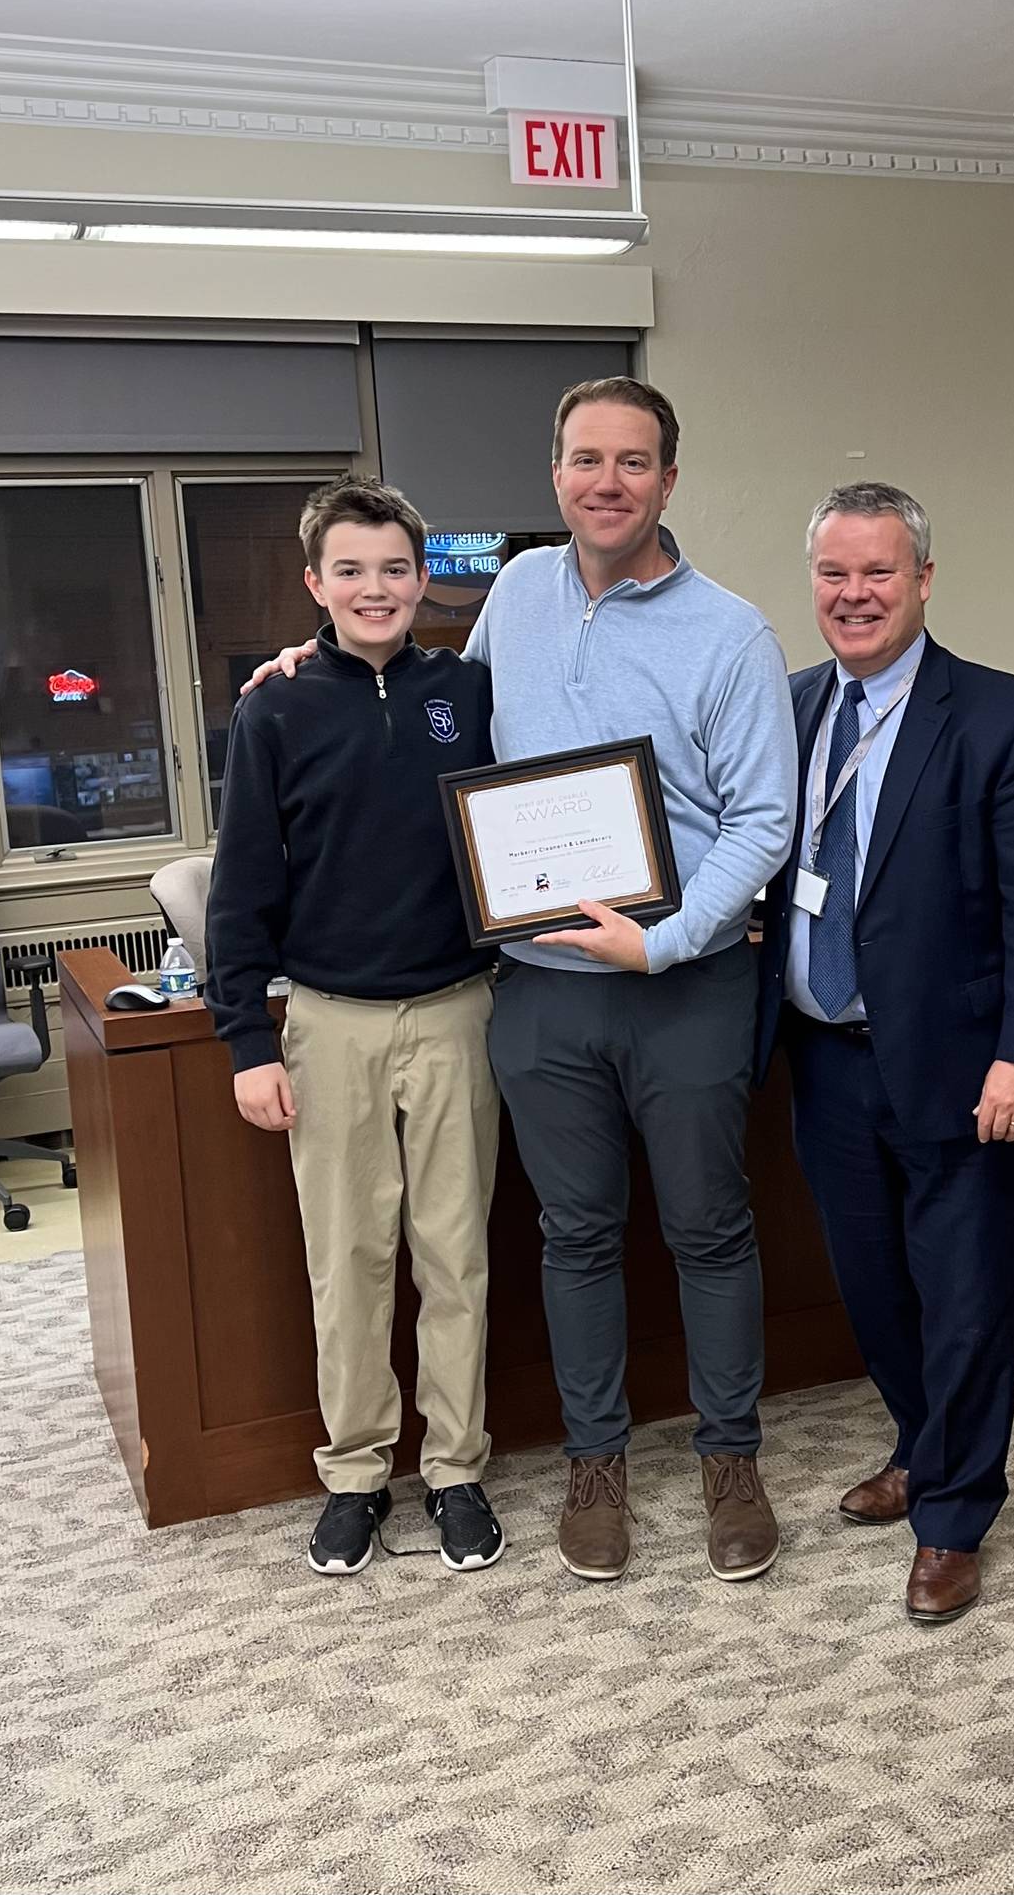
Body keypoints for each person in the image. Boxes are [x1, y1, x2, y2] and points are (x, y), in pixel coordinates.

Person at [246, 379, 797, 1584]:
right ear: (554, 473)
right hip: (540, 988)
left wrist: (671, 936)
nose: (609, 481)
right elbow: (450, 722)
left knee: (710, 1229)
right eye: (587, 458)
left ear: (667, 476)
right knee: (575, 1236)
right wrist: (322, 660)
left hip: (683, 980)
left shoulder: (732, 632)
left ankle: (730, 1459)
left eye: (635, 460)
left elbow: (763, 821)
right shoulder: (518, 596)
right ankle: (595, 1465)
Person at [756, 482, 1014, 1625]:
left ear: (925, 581)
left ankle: (952, 1512)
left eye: (878, 573)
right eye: (835, 575)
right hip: (827, 1055)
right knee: (875, 1290)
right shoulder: (790, 707)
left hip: (968, 1065)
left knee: (969, 1297)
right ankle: (922, 1441)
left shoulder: (1010, 716)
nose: (854, 596)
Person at [205, 476, 506, 1579]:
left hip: (456, 1010)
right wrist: (245, 1038)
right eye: (350, 571)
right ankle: (357, 1474)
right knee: (349, 1260)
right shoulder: (275, 706)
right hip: (327, 1022)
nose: (374, 589)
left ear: (422, 580)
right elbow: (241, 888)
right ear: (313, 585)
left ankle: (459, 1469)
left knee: (456, 1254)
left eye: (393, 569)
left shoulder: (466, 691)